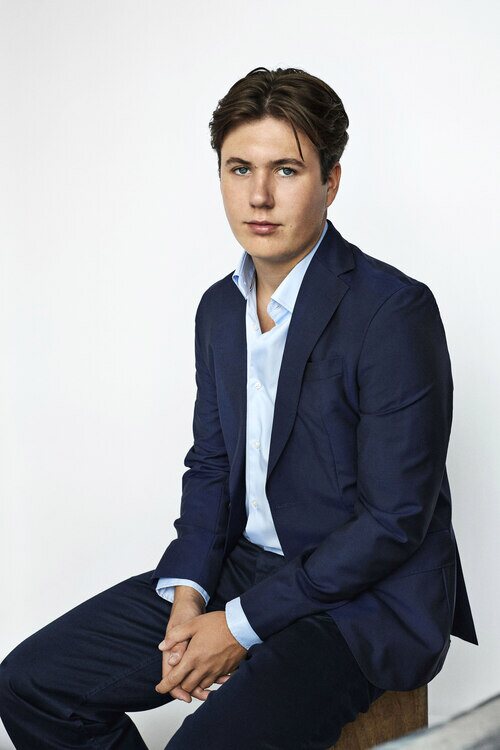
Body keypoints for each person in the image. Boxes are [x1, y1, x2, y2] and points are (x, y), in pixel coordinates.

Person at [0, 66, 478, 750]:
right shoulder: (219, 309)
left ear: (331, 182)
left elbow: (394, 521)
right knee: (30, 684)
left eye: (286, 170)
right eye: (239, 169)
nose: (259, 195)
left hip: (365, 600)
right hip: (245, 568)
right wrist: (190, 593)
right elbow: (213, 466)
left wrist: (239, 623)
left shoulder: (393, 311)